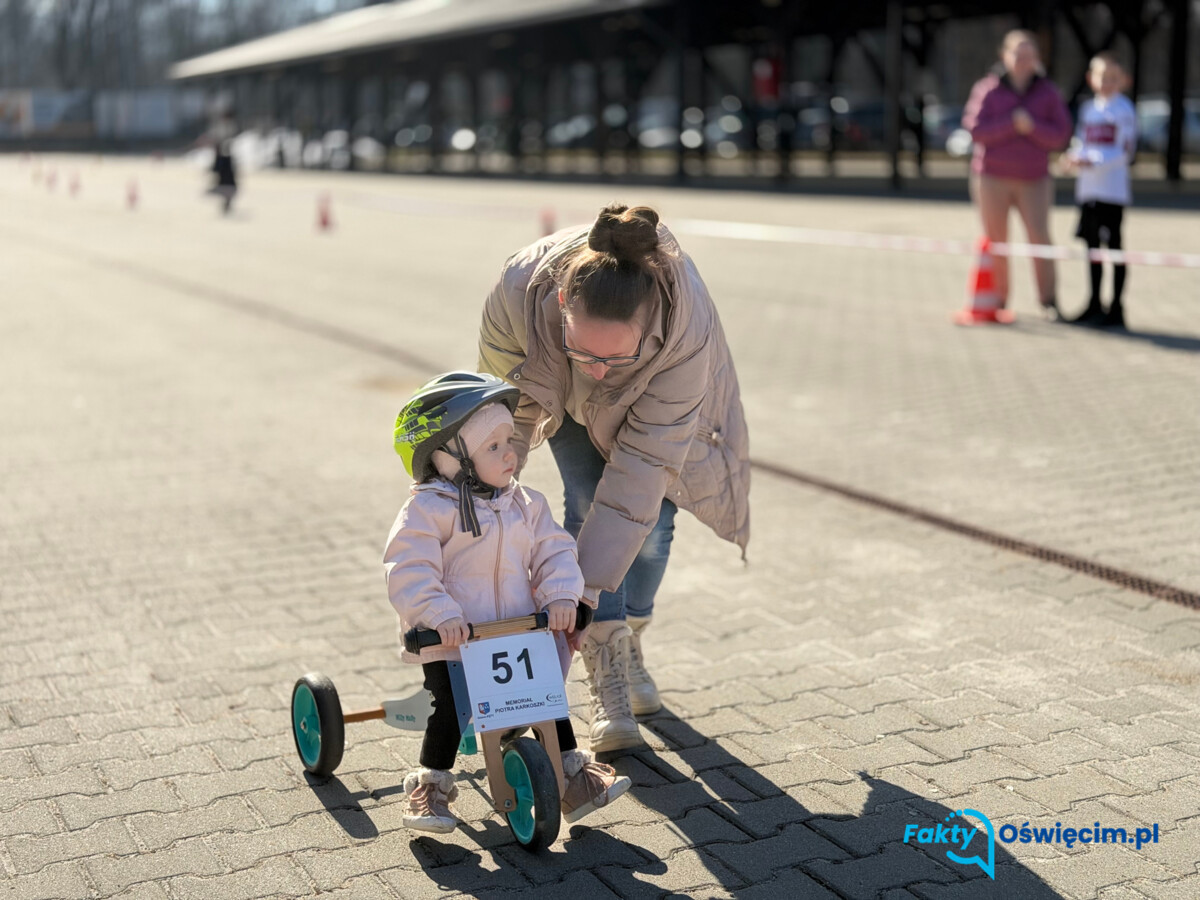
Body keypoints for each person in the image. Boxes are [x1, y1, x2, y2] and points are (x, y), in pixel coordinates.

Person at [478, 204, 750, 753]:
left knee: (651, 531)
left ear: (649, 325)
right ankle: (608, 674)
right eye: (584, 351)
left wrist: (585, 593)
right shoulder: (515, 291)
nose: (597, 371)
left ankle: (627, 640)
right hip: (565, 400)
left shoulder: (684, 330)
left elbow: (640, 473)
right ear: (561, 304)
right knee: (586, 500)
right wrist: (483, 496)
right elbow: (503, 410)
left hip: (657, 402)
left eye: (613, 358)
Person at [385, 371, 631, 833]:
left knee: (547, 700)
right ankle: (431, 787)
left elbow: (554, 551)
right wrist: (440, 614)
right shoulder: (427, 510)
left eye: (509, 441)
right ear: (450, 458)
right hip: (454, 640)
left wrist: (561, 596)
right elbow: (408, 568)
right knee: (450, 709)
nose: (510, 454)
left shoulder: (525, 504)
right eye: (493, 446)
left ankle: (571, 778)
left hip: (518, 634)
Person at [962, 29, 1072, 319]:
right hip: (991, 178)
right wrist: (1011, 124)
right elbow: (975, 129)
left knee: (1040, 238)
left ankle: (1048, 300)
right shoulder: (987, 89)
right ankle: (997, 299)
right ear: (1004, 56)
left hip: (1034, 179)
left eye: (1029, 55)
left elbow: (1060, 135)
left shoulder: (1048, 92)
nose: (1024, 61)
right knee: (996, 240)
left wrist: (1032, 127)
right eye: (1017, 54)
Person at [1062, 52, 1137, 328]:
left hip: (1112, 192)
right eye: (1102, 77)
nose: (1107, 83)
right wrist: (1073, 158)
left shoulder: (1124, 110)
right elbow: (1081, 142)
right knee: (1091, 248)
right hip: (1088, 191)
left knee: (1114, 247)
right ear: (1091, 79)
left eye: (1113, 78)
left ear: (1123, 80)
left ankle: (1116, 307)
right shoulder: (1088, 110)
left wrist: (1091, 161)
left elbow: (1124, 151)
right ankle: (1094, 303)